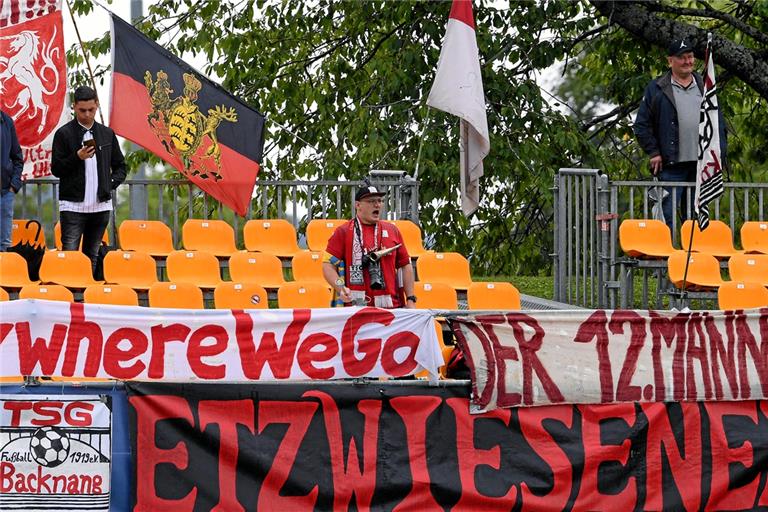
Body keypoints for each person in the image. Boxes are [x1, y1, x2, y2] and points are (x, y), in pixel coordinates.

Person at [634, 38, 727, 233]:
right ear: (670, 61)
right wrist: (654, 152)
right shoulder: (657, 88)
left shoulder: (706, 87)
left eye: (690, 57)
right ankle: (664, 259)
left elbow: (718, 125)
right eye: (682, 58)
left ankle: (694, 259)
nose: (687, 62)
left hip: (701, 166)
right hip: (670, 165)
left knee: (696, 219)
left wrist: (719, 155)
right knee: (664, 215)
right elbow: (641, 125)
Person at [51, 86, 127, 276]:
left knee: (92, 256)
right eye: (82, 110)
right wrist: (77, 157)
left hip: (100, 207)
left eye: (91, 110)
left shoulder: (107, 134)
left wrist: (109, 184)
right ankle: (69, 298)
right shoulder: (63, 134)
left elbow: (121, 167)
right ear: (74, 107)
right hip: (72, 206)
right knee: (69, 256)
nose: (87, 114)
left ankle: (87, 299)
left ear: (96, 105)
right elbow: (56, 169)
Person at [323, 185, 416, 308]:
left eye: (379, 201)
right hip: (355, 309)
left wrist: (410, 298)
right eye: (371, 201)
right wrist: (340, 287)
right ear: (358, 205)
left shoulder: (393, 230)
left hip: (391, 308)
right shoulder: (344, 231)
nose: (377, 205)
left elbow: (405, 265)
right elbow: (328, 265)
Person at [0, 110, 23, 252]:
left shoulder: (6, 121)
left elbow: (17, 158)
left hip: (4, 193)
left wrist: (13, 186)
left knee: (4, 245)